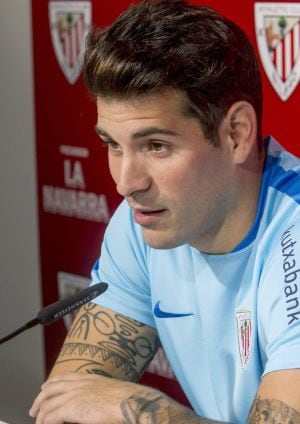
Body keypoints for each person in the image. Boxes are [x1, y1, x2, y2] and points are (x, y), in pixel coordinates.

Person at [30, 0, 300, 422]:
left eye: (156, 146)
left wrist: (141, 411)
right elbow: (72, 399)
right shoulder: (144, 220)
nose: (126, 182)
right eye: (112, 145)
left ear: (236, 133)